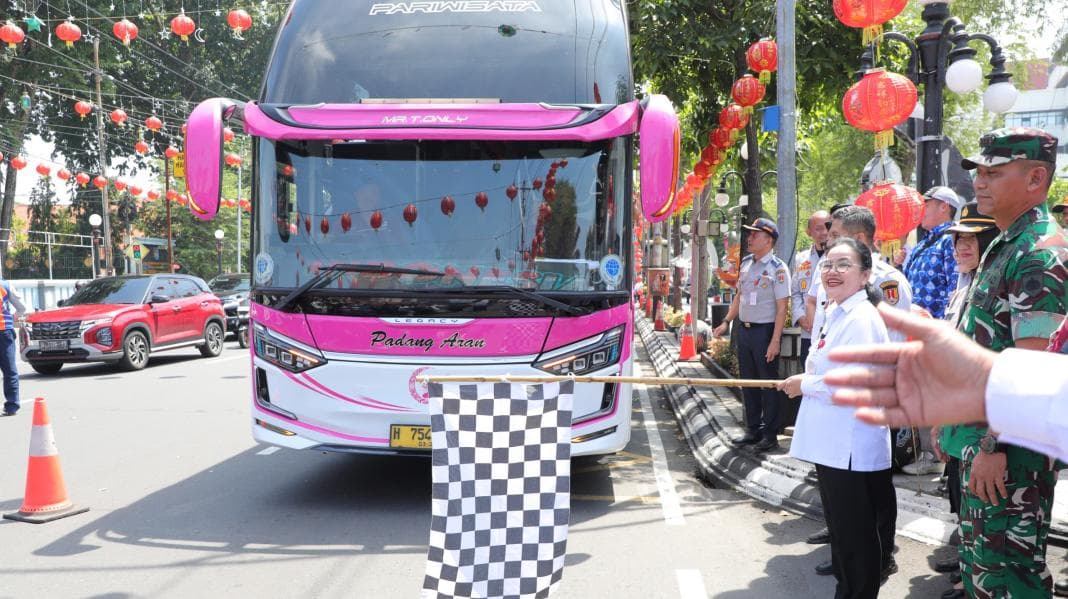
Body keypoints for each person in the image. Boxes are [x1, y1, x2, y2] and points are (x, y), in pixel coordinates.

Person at [777, 237, 895, 599]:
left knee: (855, 538)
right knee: (843, 535)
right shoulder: (836, 311)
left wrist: (805, 384)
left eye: (844, 264)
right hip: (832, 443)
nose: (832, 271)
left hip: (850, 446)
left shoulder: (861, 318)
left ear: (864, 275)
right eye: (828, 264)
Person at [801, 205, 911, 572]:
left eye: (835, 236)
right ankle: (845, 547)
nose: (827, 243)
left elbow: (892, 340)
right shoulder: (834, 272)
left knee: (873, 487)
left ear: (859, 239)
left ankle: (880, 555)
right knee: (842, 492)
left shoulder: (885, 281)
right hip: (831, 396)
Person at [928, 202, 1000, 597]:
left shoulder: (993, 284)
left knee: (987, 516)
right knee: (962, 500)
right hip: (958, 414)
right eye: (958, 239)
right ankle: (967, 569)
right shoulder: (964, 284)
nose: (961, 246)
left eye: (971, 238)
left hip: (985, 422)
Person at [713, 217, 791, 452]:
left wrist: (775, 340)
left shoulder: (777, 269)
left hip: (764, 332)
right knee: (748, 383)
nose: (749, 238)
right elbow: (739, 296)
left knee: (767, 384)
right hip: (744, 331)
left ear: (768, 240)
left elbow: (781, 308)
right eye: (750, 234)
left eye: (755, 235)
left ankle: (770, 434)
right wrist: (726, 321)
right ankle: (753, 429)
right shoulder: (746, 262)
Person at [902, 186, 961, 320]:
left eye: (926, 205)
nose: (920, 210)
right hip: (914, 326)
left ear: (944, 207)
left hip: (937, 329)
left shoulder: (951, 239)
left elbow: (955, 288)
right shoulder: (922, 243)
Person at [791, 210, 830, 364]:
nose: (824, 233)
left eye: (828, 227)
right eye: (818, 228)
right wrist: (800, 316)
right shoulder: (802, 259)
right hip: (808, 331)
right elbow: (795, 293)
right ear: (809, 232)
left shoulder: (840, 256)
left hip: (831, 328)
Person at [0, 277, 26, 417]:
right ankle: (12, 406)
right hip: (4, 333)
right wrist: (12, 317)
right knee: (10, 370)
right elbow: (22, 308)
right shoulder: (5, 285)